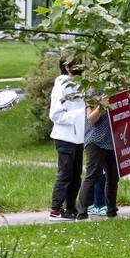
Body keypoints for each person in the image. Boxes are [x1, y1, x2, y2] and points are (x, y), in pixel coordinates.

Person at [49, 55, 88, 219]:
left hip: (78, 137)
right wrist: (80, 114)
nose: (80, 67)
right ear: (66, 68)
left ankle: (70, 207)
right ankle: (55, 209)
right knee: (65, 173)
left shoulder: (79, 85)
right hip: (65, 137)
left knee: (76, 173)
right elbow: (55, 115)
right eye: (76, 65)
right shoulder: (61, 87)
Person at [75, 93, 119, 218]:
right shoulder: (91, 94)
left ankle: (111, 210)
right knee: (92, 175)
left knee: (113, 177)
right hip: (95, 141)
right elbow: (91, 119)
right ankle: (82, 211)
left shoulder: (115, 88)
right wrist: (101, 105)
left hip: (113, 140)